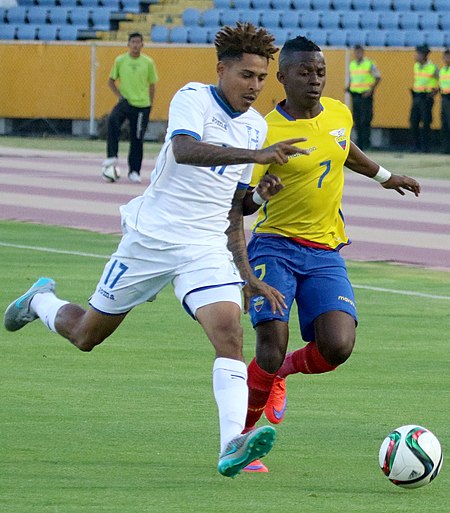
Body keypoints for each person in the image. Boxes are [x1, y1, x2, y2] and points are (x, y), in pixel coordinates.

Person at [4, 23, 309, 479]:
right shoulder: (193, 97)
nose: (255, 86)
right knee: (88, 335)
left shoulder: (255, 127)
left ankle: (231, 445)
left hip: (204, 246)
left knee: (229, 331)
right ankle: (40, 302)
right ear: (221, 69)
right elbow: (185, 150)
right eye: (246, 75)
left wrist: (259, 201)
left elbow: (233, 206)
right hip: (151, 239)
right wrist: (258, 155)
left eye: (262, 78)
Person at [239, 36, 421, 473]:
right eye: (304, 72)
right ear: (281, 78)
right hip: (275, 246)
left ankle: (281, 373)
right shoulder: (264, 130)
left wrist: (385, 176)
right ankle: (241, 438)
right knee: (269, 344)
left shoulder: (339, 112)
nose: (315, 79)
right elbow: (241, 202)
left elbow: (343, 150)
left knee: (337, 347)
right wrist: (260, 195)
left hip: (324, 251)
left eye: (320, 71)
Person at [103, 32, 159, 184]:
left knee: (137, 138)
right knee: (113, 120)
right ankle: (112, 155)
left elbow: (152, 84)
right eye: (132, 42)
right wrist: (119, 96)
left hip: (142, 105)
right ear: (128, 44)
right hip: (126, 102)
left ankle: (134, 171)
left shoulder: (148, 62)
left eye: (138, 42)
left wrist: (150, 104)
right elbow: (111, 81)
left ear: (142, 44)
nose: (135, 45)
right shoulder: (120, 60)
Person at [346, 44, 381, 151]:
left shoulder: (369, 64)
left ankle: (366, 143)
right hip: (355, 95)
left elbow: (378, 77)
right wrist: (348, 87)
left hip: (365, 96)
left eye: (359, 52)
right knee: (357, 120)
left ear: (362, 52)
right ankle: (360, 144)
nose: (357, 54)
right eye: (356, 52)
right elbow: (353, 78)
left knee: (365, 120)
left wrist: (370, 90)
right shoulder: (352, 64)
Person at [410, 44, 439, 153]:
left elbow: (440, 81)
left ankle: (425, 147)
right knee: (414, 121)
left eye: (418, 54)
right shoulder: (416, 66)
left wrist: (434, 93)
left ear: (424, 55)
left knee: (426, 122)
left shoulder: (432, 67)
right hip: (417, 96)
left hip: (426, 98)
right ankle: (415, 146)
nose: (416, 56)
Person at [439, 48, 450, 154]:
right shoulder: (442, 70)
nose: (445, 59)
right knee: (445, 123)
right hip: (444, 98)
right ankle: (445, 148)